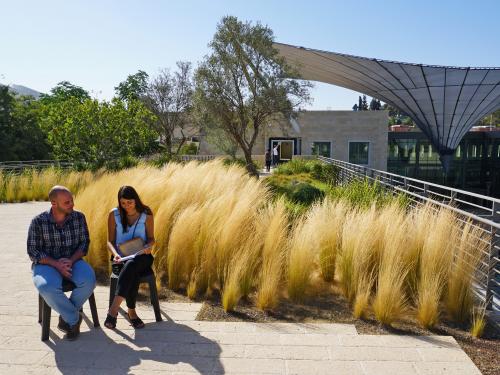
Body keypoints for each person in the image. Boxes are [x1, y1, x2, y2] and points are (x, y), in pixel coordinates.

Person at [27, 185, 96, 341]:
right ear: (54, 203)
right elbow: (33, 251)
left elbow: (84, 244)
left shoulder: (79, 217)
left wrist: (70, 261)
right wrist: (56, 264)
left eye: (71, 201)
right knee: (46, 287)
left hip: (73, 260)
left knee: (89, 281)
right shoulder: (38, 222)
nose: (72, 205)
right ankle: (73, 318)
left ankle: (65, 317)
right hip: (46, 264)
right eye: (67, 202)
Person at [104, 186, 155, 329]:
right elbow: (110, 242)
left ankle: (113, 311)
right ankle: (131, 312)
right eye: (123, 203)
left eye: (130, 202)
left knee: (132, 265)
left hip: (142, 256)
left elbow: (151, 239)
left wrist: (148, 246)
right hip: (120, 258)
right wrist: (115, 254)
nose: (126, 206)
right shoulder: (113, 215)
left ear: (136, 200)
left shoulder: (146, 213)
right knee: (131, 268)